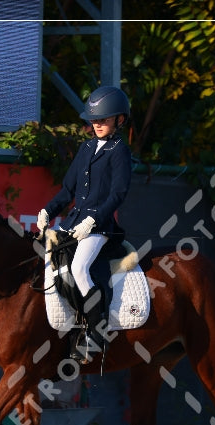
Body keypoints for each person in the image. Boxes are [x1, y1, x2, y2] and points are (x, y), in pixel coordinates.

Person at [37, 85, 133, 364]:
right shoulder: (86, 147)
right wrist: (48, 210)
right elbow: (68, 189)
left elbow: (118, 193)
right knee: (47, 260)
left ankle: (96, 331)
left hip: (100, 225)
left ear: (119, 120)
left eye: (104, 119)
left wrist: (93, 220)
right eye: (94, 120)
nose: (98, 124)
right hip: (74, 221)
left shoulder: (119, 151)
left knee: (79, 268)